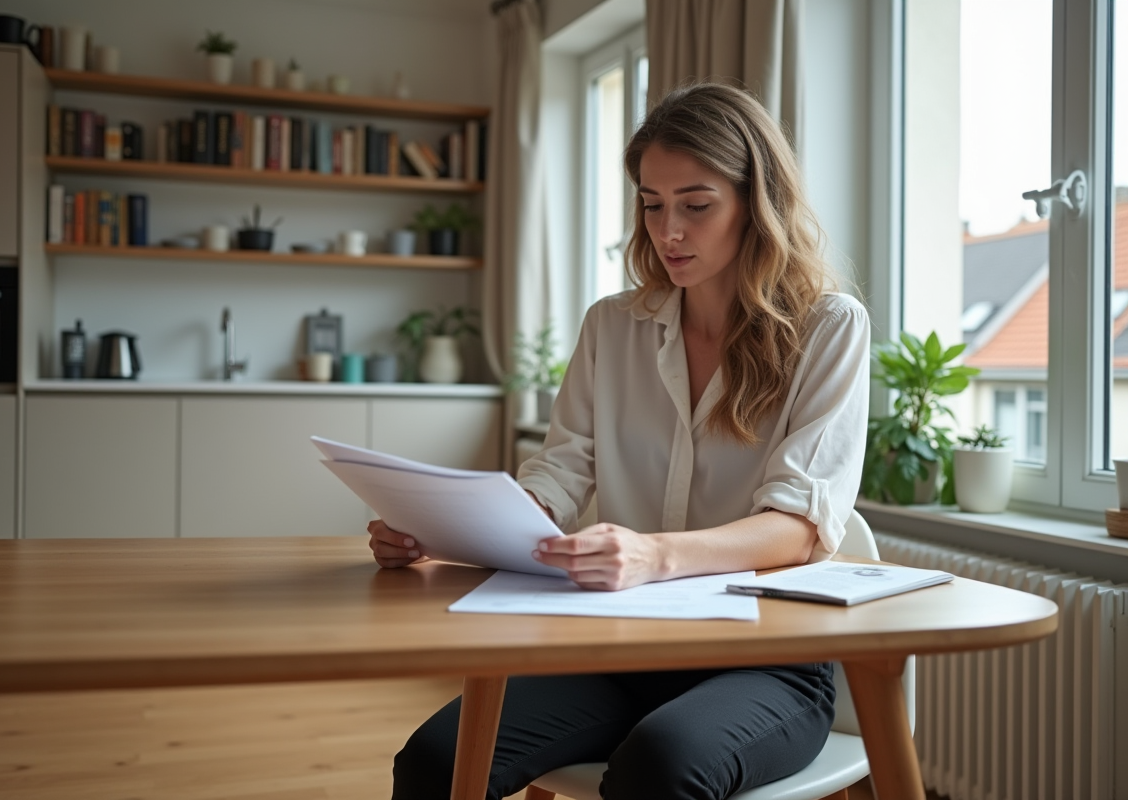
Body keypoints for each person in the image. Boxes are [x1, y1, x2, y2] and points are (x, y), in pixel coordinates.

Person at [369, 82, 870, 800]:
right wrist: (443, 528)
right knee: (433, 759)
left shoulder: (829, 328)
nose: (669, 230)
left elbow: (797, 527)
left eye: (696, 205)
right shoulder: (613, 326)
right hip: (619, 645)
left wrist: (653, 555)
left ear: (756, 204)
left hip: (767, 660)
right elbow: (559, 475)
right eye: (652, 203)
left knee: (659, 766)